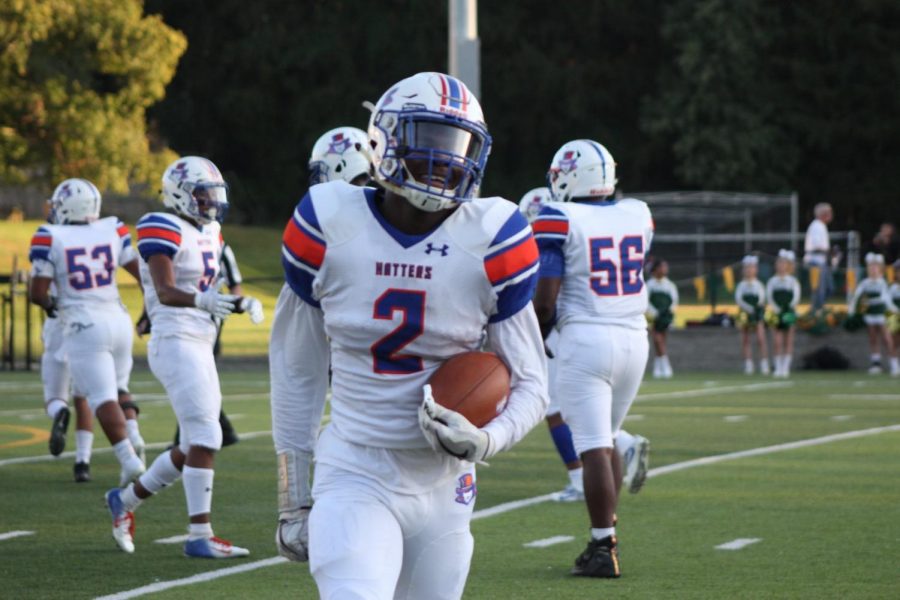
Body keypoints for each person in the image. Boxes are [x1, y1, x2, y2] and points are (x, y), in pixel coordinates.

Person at [270, 72, 548, 599]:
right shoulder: (329, 222)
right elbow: (296, 369)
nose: (448, 160)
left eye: (459, 145)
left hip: (447, 485)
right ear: (384, 140)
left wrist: (488, 439)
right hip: (356, 467)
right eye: (431, 140)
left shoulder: (492, 238)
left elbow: (533, 384)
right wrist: (293, 495)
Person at [105, 156, 264, 557]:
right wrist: (205, 299)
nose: (211, 201)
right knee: (208, 437)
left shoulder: (212, 231)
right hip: (175, 340)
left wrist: (241, 303)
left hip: (200, 340)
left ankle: (125, 501)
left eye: (213, 193)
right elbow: (165, 290)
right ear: (180, 194)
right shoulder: (161, 225)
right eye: (202, 194)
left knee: (195, 440)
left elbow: (212, 285)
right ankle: (199, 536)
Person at [532, 139, 654, 578]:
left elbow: (545, 299)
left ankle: (604, 546)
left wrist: (532, 337)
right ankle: (607, 535)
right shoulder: (637, 213)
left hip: (586, 337)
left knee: (594, 448)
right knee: (610, 436)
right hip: (633, 337)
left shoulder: (558, 217)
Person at [28, 179, 146, 488]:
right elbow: (143, 275)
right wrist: (150, 312)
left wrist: (52, 305)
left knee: (101, 398)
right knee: (120, 389)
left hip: (83, 324)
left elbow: (37, 293)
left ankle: (129, 459)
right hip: (119, 320)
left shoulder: (49, 235)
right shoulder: (113, 228)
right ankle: (134, 435)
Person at [848, 253, 899, 375]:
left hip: (885, 314)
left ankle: (894, 364)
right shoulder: (866, 283)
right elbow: (856, 297)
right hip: (876, 314)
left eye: (875, 266)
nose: (873, 269)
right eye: (871, 267)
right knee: (874, 338)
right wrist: (852, 310)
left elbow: (885, 300)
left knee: (888, 339)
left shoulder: (884, 283)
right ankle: (877, 363)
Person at [766, 250, 801, 378]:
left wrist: (788, 308)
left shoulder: (792, 281)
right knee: (777, 341)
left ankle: (786, 367)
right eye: (779, 263)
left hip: (788, 312)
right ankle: (778, 366)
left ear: (787, 265)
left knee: (788, 340)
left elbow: (796, 297)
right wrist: (776, 308)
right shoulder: (773, 281)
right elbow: (769, 296)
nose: (781, 266)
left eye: (783, 263)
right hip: (776, 312)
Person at [735, 255, 769, 375]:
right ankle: (748, 364)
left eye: (751, 267)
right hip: (745, 313)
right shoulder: (741, 285)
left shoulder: (758, 285)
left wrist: (756, 309)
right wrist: (748, 308)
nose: (749, 270)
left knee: (761, 338)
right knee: (746, 339)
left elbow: (761, 298)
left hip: (756, 313)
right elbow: (738, 299)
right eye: (747, 268)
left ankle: (764, 363)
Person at [645, 259, 677, 379]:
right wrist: (654, 312)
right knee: (657, 339)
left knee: (662, 339)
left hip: (665, 316)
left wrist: (668, 312)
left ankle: (658, 366)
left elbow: (674, 300)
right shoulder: (650, 285)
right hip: (653, 316)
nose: (665, 269)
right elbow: (646, 300)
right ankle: (665, 365)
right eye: (662, 267)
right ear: (656, 269)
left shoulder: (669, 285)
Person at [804, 203, 833, 311]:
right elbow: (817, 247)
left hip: (821, 262)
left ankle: (818, 309)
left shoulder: (821, 226)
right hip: (816, 262)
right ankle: (816, 312)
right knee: (819, 290)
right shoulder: (817, 226)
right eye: (829, 213)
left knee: (828, 288)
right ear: (823, 214)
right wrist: (830, 252)